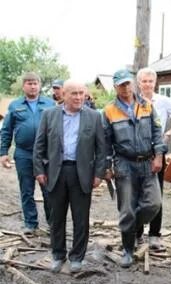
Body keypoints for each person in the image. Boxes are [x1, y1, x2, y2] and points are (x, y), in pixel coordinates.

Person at [33, 80, 106, 273]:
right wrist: (39, 170)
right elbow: (39, 145)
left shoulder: (94, 117)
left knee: (81, 218)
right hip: (55, 172)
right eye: (74, 93)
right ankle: (58, 255)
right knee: (56, 217)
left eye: (82, 93)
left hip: (82, 173)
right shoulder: (49, 115)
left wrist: (99, 173)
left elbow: (102, 148)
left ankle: (77, 257)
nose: (78, 97)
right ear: (63, 94)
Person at [102, 68, 164, 267]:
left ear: (133, 83)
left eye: (128, 83)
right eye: (121, 85)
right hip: (124, 163)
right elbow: (105, 142)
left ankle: (132, 225)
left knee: (154, 204)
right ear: (115, 87)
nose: (126, 87)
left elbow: (157, 132)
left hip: (147, 161)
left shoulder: (146, 105)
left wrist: (159, 156)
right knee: (126, 208)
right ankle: (128, 250)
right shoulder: (109, 110)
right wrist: (107, 166)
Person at [135, 67, 171, 252]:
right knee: (137, 195)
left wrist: (169, 133)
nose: (148, 84)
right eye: (144, 81)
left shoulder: (163, 101)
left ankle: (155, 235)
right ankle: (137, 234)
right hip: (136, 155)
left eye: (151, 81)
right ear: (139, 83)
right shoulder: (133, 101)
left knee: (156, 195)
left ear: (155, 82)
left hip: (156, 153)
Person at [0, 72, 55, 234]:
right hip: (23, 154)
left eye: (35, 83)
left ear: (40, 85)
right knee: (26, 190)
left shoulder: (50, 104)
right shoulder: (15, 105)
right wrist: (3, 152)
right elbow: (6, 130)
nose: (33, 86)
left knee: (48, 189)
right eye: (29, 83)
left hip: (46, 155)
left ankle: (53, 224)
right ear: (24, 86)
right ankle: (31, 224)